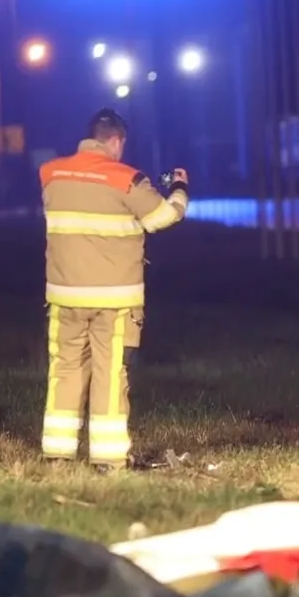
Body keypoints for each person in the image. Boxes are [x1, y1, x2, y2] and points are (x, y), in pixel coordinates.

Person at [38, 108, 189, 471]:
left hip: (64, 296)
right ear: (116, 140)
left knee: (64, 369)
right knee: (109, 373)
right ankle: (106, 459)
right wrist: (180, 190)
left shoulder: (51, 174)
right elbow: (162, 218)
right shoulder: (125, 179)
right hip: (114, 300)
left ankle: (58, 454)